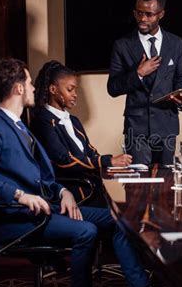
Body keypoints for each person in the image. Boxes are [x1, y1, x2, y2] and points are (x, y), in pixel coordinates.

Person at [0, 58, 150, 287]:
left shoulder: (19, 125)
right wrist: (19, 196)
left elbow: (41, 175)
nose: (35, 87)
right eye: (29, 82)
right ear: (19, 88)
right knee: (87, 231)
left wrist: (63, 191)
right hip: (19, 218)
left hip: (46, 206)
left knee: (120, 220)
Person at [31, 60, 132, 206]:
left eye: (75, 90)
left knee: (129, 210)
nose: (75, 95)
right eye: (70, 90)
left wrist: (113, 165)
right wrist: (107, 161)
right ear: (53, 89)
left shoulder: (73, 120)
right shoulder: (42, 121)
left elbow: (90, 151)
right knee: (123, 216)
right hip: (76, 193)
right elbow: (64, 160)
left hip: (93, 187)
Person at [107, 0, 182, 165]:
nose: (142, 19)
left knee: (166, 185)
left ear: (161, 14)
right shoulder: (122, 45)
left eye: (149, 14)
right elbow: (112, 88)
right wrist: (139, 73)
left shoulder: (175, 43)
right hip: (136, 129)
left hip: (167, 126)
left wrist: (181, 98)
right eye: (139, 13)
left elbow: (179, 78)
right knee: (139, 187)